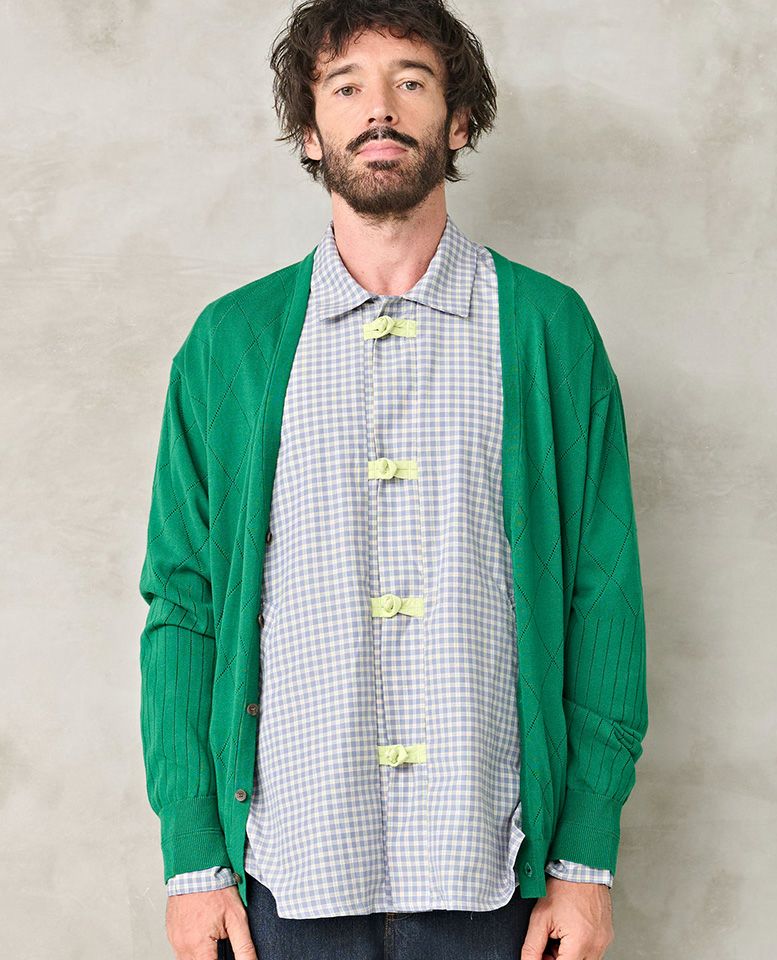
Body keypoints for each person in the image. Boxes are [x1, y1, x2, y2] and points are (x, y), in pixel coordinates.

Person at [138, 2, 648, 958]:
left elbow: (603, 597)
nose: (380, 108)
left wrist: (584, 858)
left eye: (411, 81)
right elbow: (184, 607)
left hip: (493, 867)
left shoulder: (547, 331)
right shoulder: (230, 346)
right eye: (346, 87)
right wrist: (193, 861)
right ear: (309, 130)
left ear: (458, 121)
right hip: (288, 870)